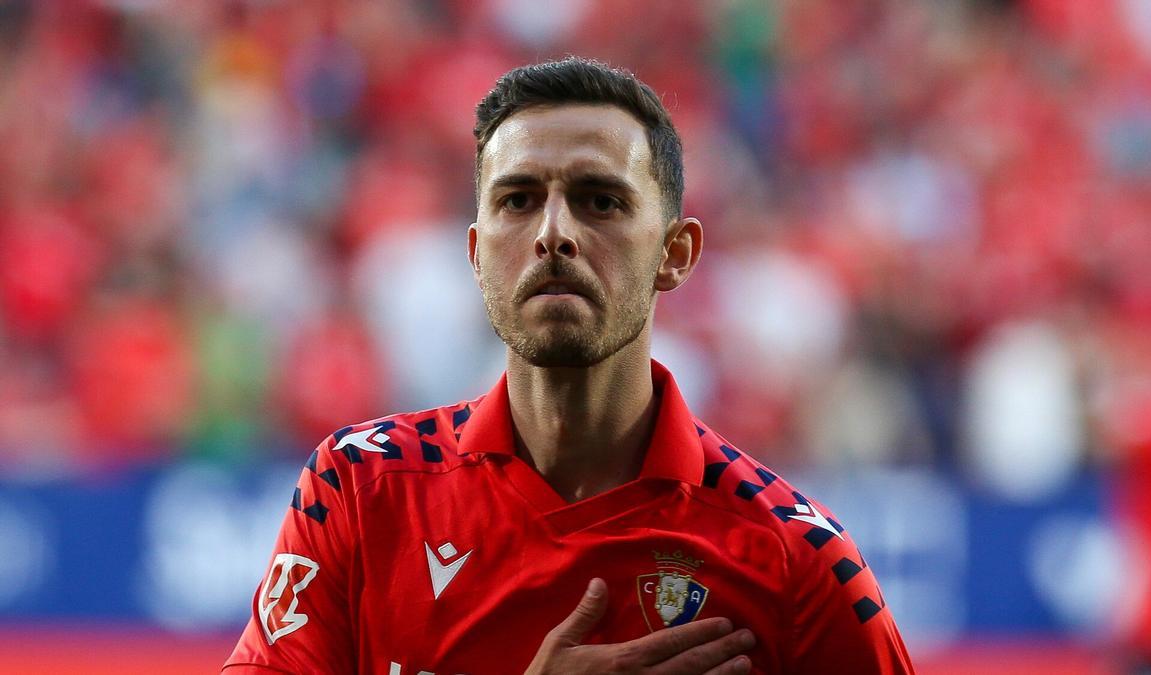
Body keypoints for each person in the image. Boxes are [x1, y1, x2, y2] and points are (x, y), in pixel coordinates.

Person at [224, 57, 913, 674]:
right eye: (518, 201)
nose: (554, 233)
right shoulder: (358, 488)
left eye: (600, 201)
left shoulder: (796, 558)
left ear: (675, 253)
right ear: (477, 253)